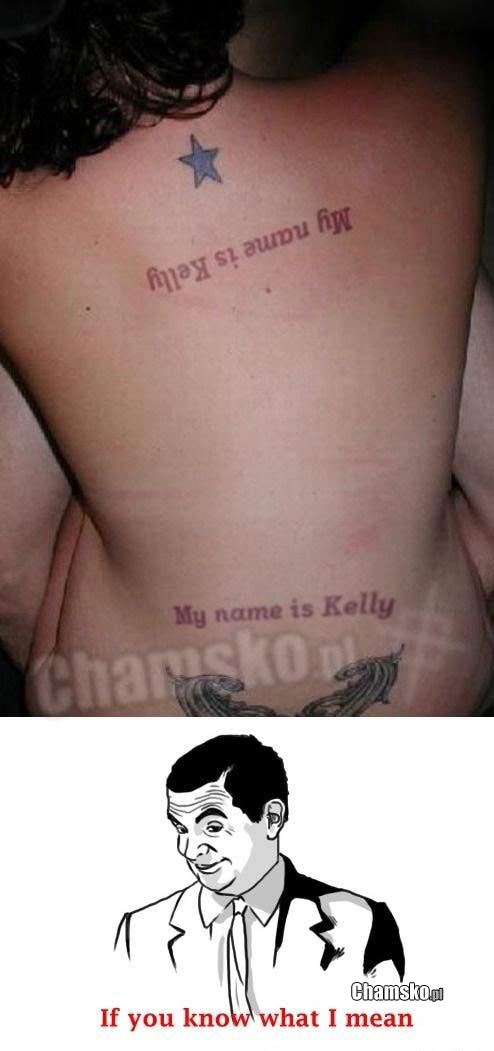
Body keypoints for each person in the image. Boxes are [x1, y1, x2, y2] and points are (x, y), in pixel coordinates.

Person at [0, 1, 493, 715]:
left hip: (125, 699)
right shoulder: (428, 87)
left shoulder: (13, 209)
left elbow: (12, 572)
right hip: (423, 684)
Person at [115, 734, 404, 1013]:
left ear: (272, 818)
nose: (189, 850)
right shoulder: (139, 932)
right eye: (180, 828)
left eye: (212, 828)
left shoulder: (361, 922)